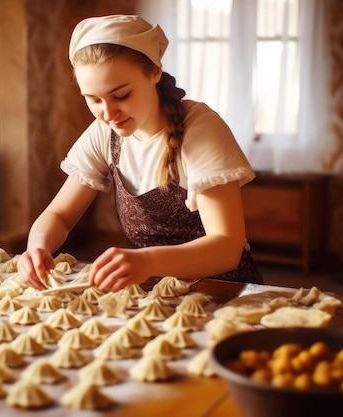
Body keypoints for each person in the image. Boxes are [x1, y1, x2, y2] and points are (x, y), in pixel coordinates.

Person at [18, 14, 263, 292]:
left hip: (222, 291)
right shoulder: (104, 132)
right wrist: (37, 247)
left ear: (154, 72)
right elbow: (60, 215)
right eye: (94, 99)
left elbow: (226, 247)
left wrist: (147, 261)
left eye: (121, 95)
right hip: (155, 292)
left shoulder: (199, 128)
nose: (108, 114)